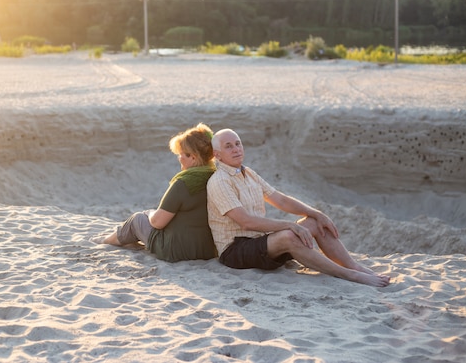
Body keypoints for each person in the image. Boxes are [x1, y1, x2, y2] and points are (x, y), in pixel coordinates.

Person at [206, 128, 391, 287]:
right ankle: (348, 274)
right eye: (228, 146)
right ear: (217, 155)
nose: (236, 149)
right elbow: (246, 222)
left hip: (260, 243)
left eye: (237, 144)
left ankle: (354, 267)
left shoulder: (249, 174)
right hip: (236, 250)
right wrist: (289, 225)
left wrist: (315, 213)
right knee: (288, 235)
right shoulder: (220, 181)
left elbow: (282, 201)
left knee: (315, 222)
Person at [102, 123, 217, 262]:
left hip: (177, 251)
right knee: (150, 216)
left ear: (193, 157)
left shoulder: (184, 183)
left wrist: (150, 214)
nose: (179, 158)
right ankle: (122, 238)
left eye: (181, 154)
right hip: (208, 250)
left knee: (137, 219)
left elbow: (157, 223)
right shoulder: (216, 177)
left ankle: (107, 241)